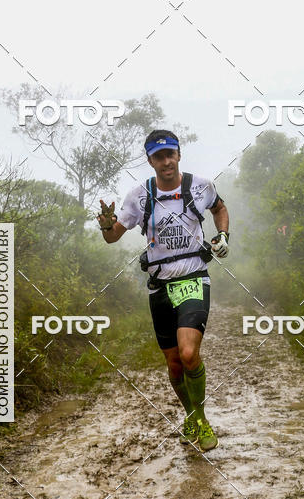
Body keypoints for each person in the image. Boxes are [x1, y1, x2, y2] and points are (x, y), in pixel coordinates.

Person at [97, 129, 230, 451]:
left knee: (188, 354)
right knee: (173, 364)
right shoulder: (138, 196)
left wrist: (223, 235)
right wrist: (105, 222)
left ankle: (202, 419)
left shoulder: (201, 186)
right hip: (159, 286)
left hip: (193, 278)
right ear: (150, 161)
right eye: (159, 156)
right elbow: (113, 236)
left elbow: (219, 208)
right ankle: (191, 415)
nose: (166, 161)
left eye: (171, 154)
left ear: (179, 155)